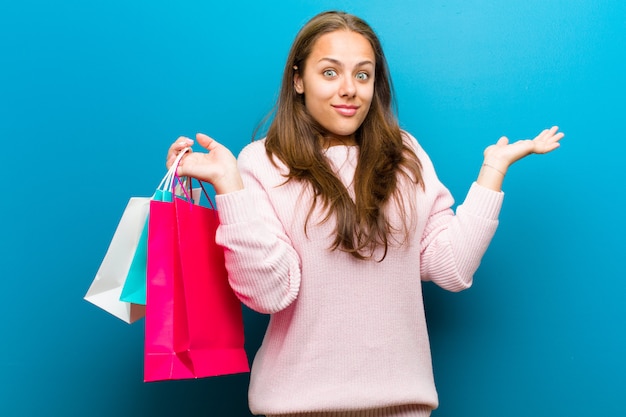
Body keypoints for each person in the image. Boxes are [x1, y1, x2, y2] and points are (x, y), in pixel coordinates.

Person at [166, 10, 564, 417]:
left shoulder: (405, 156)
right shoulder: (262, 162)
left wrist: (491, 173)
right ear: (298, 79)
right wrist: (230, 187)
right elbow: (269, 293)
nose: (349, 89)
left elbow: (453, 268)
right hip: (296, 407)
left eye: (362, 75)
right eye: (329, 72)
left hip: (403, 407)